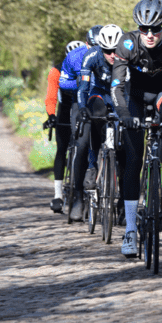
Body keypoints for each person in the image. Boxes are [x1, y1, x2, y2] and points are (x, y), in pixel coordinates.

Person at [111, 0, 162, 257]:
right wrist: (123, 114)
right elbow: (117, 85)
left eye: (156, 29)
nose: (150, 34)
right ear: (138, 27)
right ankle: (130, 229)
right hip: (135, 96)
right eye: (144, 29)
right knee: (133, 160)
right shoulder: (127, 43)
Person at [77, 24, 126, 219]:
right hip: (99, 94)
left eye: (116, 50)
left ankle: (123, 200)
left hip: (120, 95)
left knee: (126, 147)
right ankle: (92, 165)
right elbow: (82, 88)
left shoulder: (129, 56)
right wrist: (81, 109)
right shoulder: (91, 56)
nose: (113, 55)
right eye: (108, 51)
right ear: (100, 48)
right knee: (95, 114)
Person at [59, 25, 103, 221]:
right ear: (87, 43)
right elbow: (63, 81)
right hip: (81, 101)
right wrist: (81, 82)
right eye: (92, 46)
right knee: (82, 144)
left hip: (103, 99)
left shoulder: (112, 54)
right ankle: (77, 199)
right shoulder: (76, 56)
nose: (95, 51)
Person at [44, 40, 86, 213]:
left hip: (82, 107)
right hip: (65, 109)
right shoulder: (56, 71)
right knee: (62, 149)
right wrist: (51, 116)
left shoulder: (88, 67)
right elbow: (51, 97)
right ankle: (58, 195)